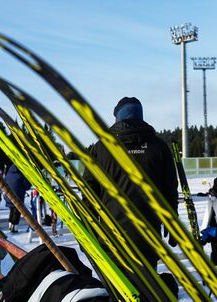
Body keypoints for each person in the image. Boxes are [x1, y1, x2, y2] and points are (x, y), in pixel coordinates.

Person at [83, 97, 179, 296]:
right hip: (148, 234)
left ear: (118, 117)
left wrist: (89, 223)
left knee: (119, 287)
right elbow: (169, 188)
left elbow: (89, 190)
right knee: (147, 285)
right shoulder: (159, 146)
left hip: (112, 233)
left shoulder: (101, 148)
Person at [4, 164, 31, 233]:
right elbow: (27, 186)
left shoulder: (8, 174)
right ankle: (14, 227)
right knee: (17, 212)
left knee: (12, 210)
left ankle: (10, 225)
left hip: (8, 196)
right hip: (18, 197)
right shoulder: (21, 175)